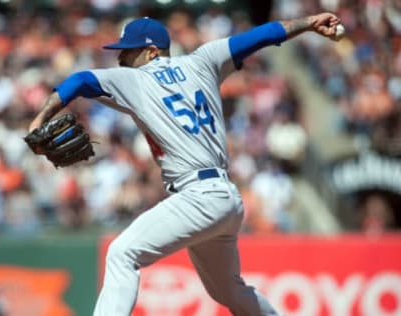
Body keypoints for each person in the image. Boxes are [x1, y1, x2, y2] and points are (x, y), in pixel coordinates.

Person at [28, 13, 341, 316]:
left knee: (122, 253)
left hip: (198, 196)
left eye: (127, 51)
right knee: (228, 291)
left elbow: (82, 79)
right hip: (225, 198)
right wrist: (309, 23)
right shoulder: (203, 60)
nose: (120, 59)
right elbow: (264, 35)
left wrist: (40, 118)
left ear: (151, 52)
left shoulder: (136, 79)